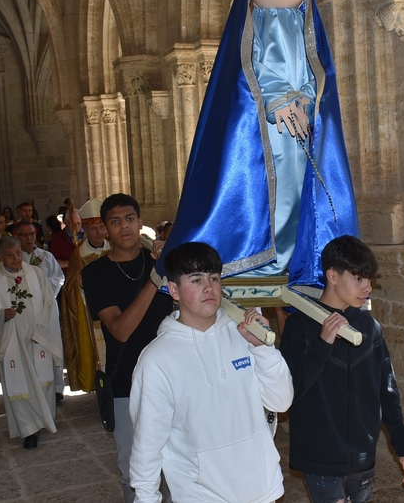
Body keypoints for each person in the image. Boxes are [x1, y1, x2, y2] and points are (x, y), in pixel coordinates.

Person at [153, 0, 359, 290]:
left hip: (301, 123)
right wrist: (278, 98)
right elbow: (248, 65)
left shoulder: (305, 25)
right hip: (267, 126)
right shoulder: (255, 22)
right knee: (272, 189)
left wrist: (308, 99)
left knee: (299, 188)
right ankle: (265, 254)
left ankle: (294, 254)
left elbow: (318, 71)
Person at [129, 242, 293, 503]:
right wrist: (146, 497)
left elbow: (281, 401)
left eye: (214, 278)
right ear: (174, 290)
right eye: (196, 280)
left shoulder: (245, 334)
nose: (209, 288)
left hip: (262, 490)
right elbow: (147, 444)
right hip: (200, 496)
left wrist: (263, 349)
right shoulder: (156, 360)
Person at [280, 235, 404, 502]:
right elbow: (289, 393)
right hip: (320, 459)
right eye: (358, 278)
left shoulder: (369, 328)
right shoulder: (300, 326)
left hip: (363, 457)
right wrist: (323, 344)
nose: (367, 287)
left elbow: (387, 392)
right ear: (332, 276)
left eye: (369, 279)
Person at [81, 193, 174, 503]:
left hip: (172, 377)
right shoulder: (95, 273)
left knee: (178, 461)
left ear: (140, 222)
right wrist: (154, 279)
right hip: (126, 381)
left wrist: (168, 264)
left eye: (130, 219)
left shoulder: (161, 263)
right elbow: (120, 330)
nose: (124, 227)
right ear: (105, 229)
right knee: (135, 467)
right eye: (115, 221)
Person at [0, 236, 63, 449]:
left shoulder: (37, 274)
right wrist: (1, 315)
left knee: (41, 381)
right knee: (20, 384)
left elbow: (50, 305)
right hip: (12, 343)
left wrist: (43, 332)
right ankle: (29, 430)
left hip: (37, 337)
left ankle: (43, 420)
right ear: (0, 257)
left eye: (18, 253)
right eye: (10, 255)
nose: (16, 258)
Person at [15, 219, 67, 404]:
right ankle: (34, 386)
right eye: (24, 235)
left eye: (32, 234)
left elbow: (58, 278)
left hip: (47, 308)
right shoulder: (14, 259)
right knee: (30, 349)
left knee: (51, 346)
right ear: (17, 237)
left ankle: (57, 388)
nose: (29, 238)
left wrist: (41, 290)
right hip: (25, 312)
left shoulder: (46, 256)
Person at [79, 198, 111, 265]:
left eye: (101, 227)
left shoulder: (113, 246)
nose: (99, 232)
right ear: (86, 230)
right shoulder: (79, 253)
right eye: (94, 229)